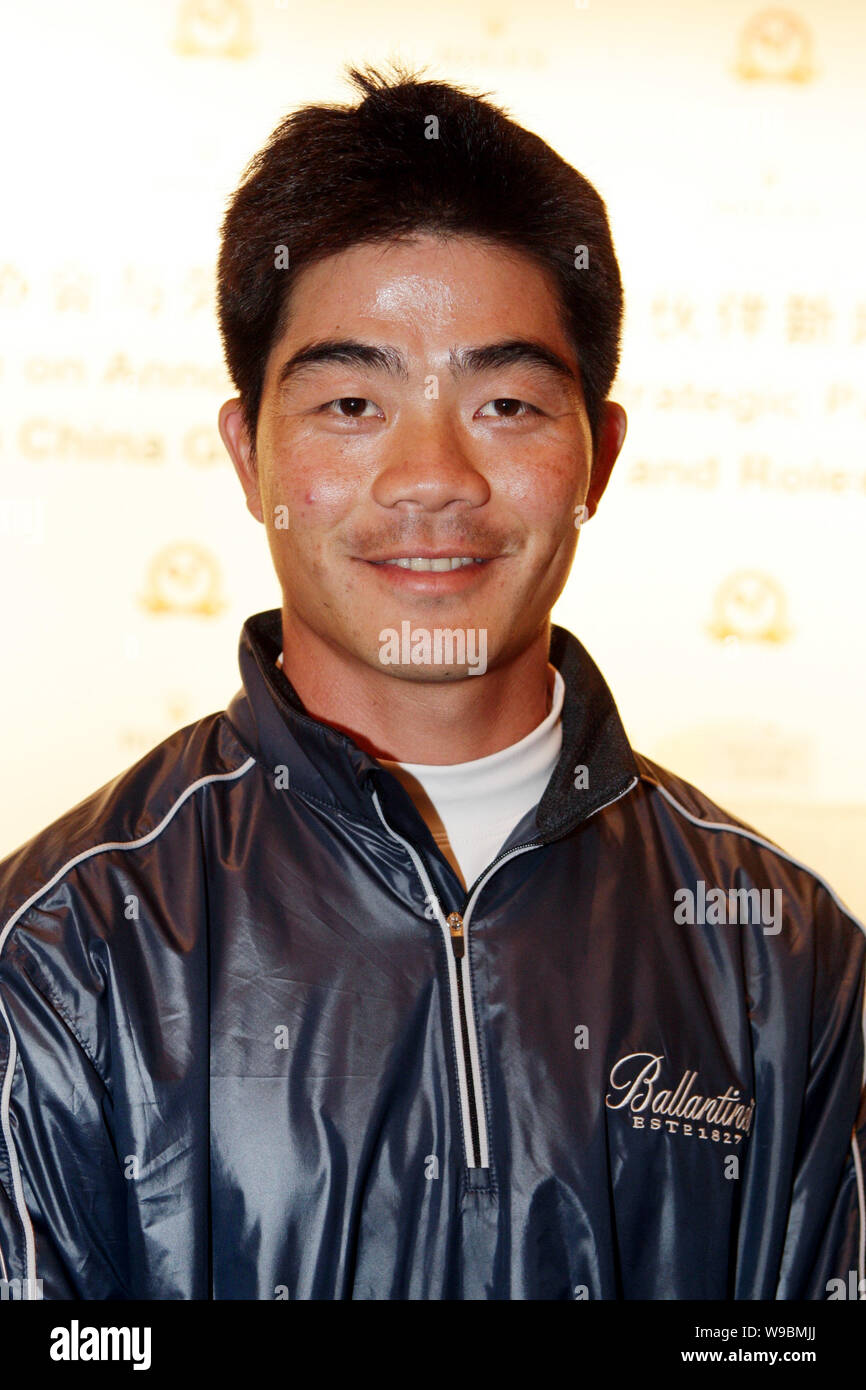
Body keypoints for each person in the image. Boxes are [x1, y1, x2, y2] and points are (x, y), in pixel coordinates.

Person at [0, 63, 863, 1302]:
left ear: (597, 456)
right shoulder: (64, 944)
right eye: (352, 401)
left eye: (504, 401)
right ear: (250, 456)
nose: (431, 475)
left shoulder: (781, 951)